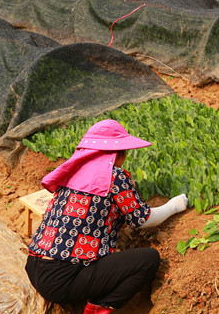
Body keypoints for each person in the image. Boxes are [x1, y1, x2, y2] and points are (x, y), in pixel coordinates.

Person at [25, 120, 188, 314]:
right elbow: (142, 219)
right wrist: (174, 206)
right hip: (62, 280)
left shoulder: (73, 170)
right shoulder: (114, 176)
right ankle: (96, 310)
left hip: (34, 267)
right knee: (149, 259)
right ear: (117, 153)